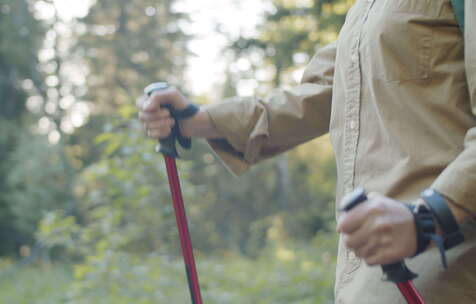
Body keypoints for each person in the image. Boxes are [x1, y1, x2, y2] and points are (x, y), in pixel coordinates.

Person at [137, 1, 475, 303]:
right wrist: (200, 120)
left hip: (449, 269)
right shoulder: (365, 11)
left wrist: (429, 217)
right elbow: (316, 94)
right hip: (371, 276)